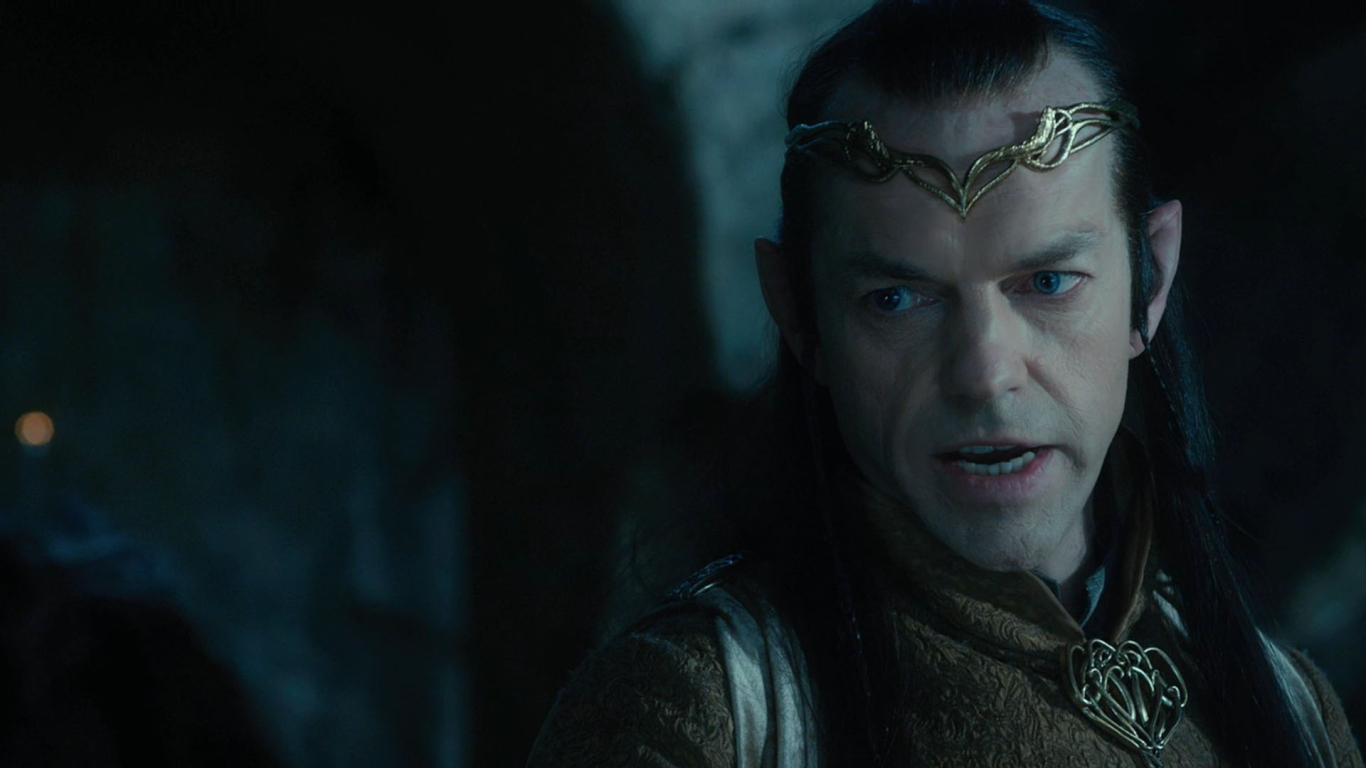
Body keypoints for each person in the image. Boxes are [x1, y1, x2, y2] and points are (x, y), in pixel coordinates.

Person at [526, 1, 1365, 766]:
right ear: (798, 311)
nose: (986, 376)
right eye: (898, 299)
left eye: (1048, 283)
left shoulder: (1287, 707)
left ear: (1150, 281)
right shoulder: (697, 715)